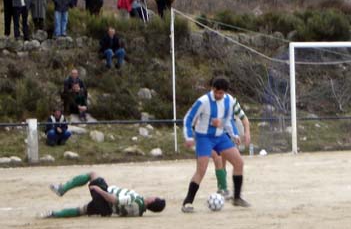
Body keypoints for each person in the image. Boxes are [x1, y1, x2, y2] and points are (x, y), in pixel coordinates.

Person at [181, 76, 250, 213]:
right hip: (204, 137)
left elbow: (228, 120)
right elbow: (188, 118)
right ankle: (187, 202)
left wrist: (234, 135)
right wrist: (189, 136)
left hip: (220, 137)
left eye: (221, 93)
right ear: (212, 89)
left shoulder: (229, 100)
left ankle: (237, 198)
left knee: (239, 163)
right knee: (201, 170)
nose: (219, 95)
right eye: (216, 92)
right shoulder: (203, 101)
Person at [41, 171, 165, 218]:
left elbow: (115, 200)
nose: (153, 196)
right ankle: (53, 214)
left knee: (93, 174)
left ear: (152, 201)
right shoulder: (139, 213)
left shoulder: (136, 200)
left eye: (155, 197)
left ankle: (63, 189)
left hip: (105, 199)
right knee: (81, 211)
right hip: (106, 210)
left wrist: (99, 191)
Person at [212, 98, 251, 198]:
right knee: (219, 158)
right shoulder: (208, 101)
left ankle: (231, 191)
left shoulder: (231, 101)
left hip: (231, 132)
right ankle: (222, 188)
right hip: (216, 132)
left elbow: (244, 118)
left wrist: (247, 133)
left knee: (233, 161)